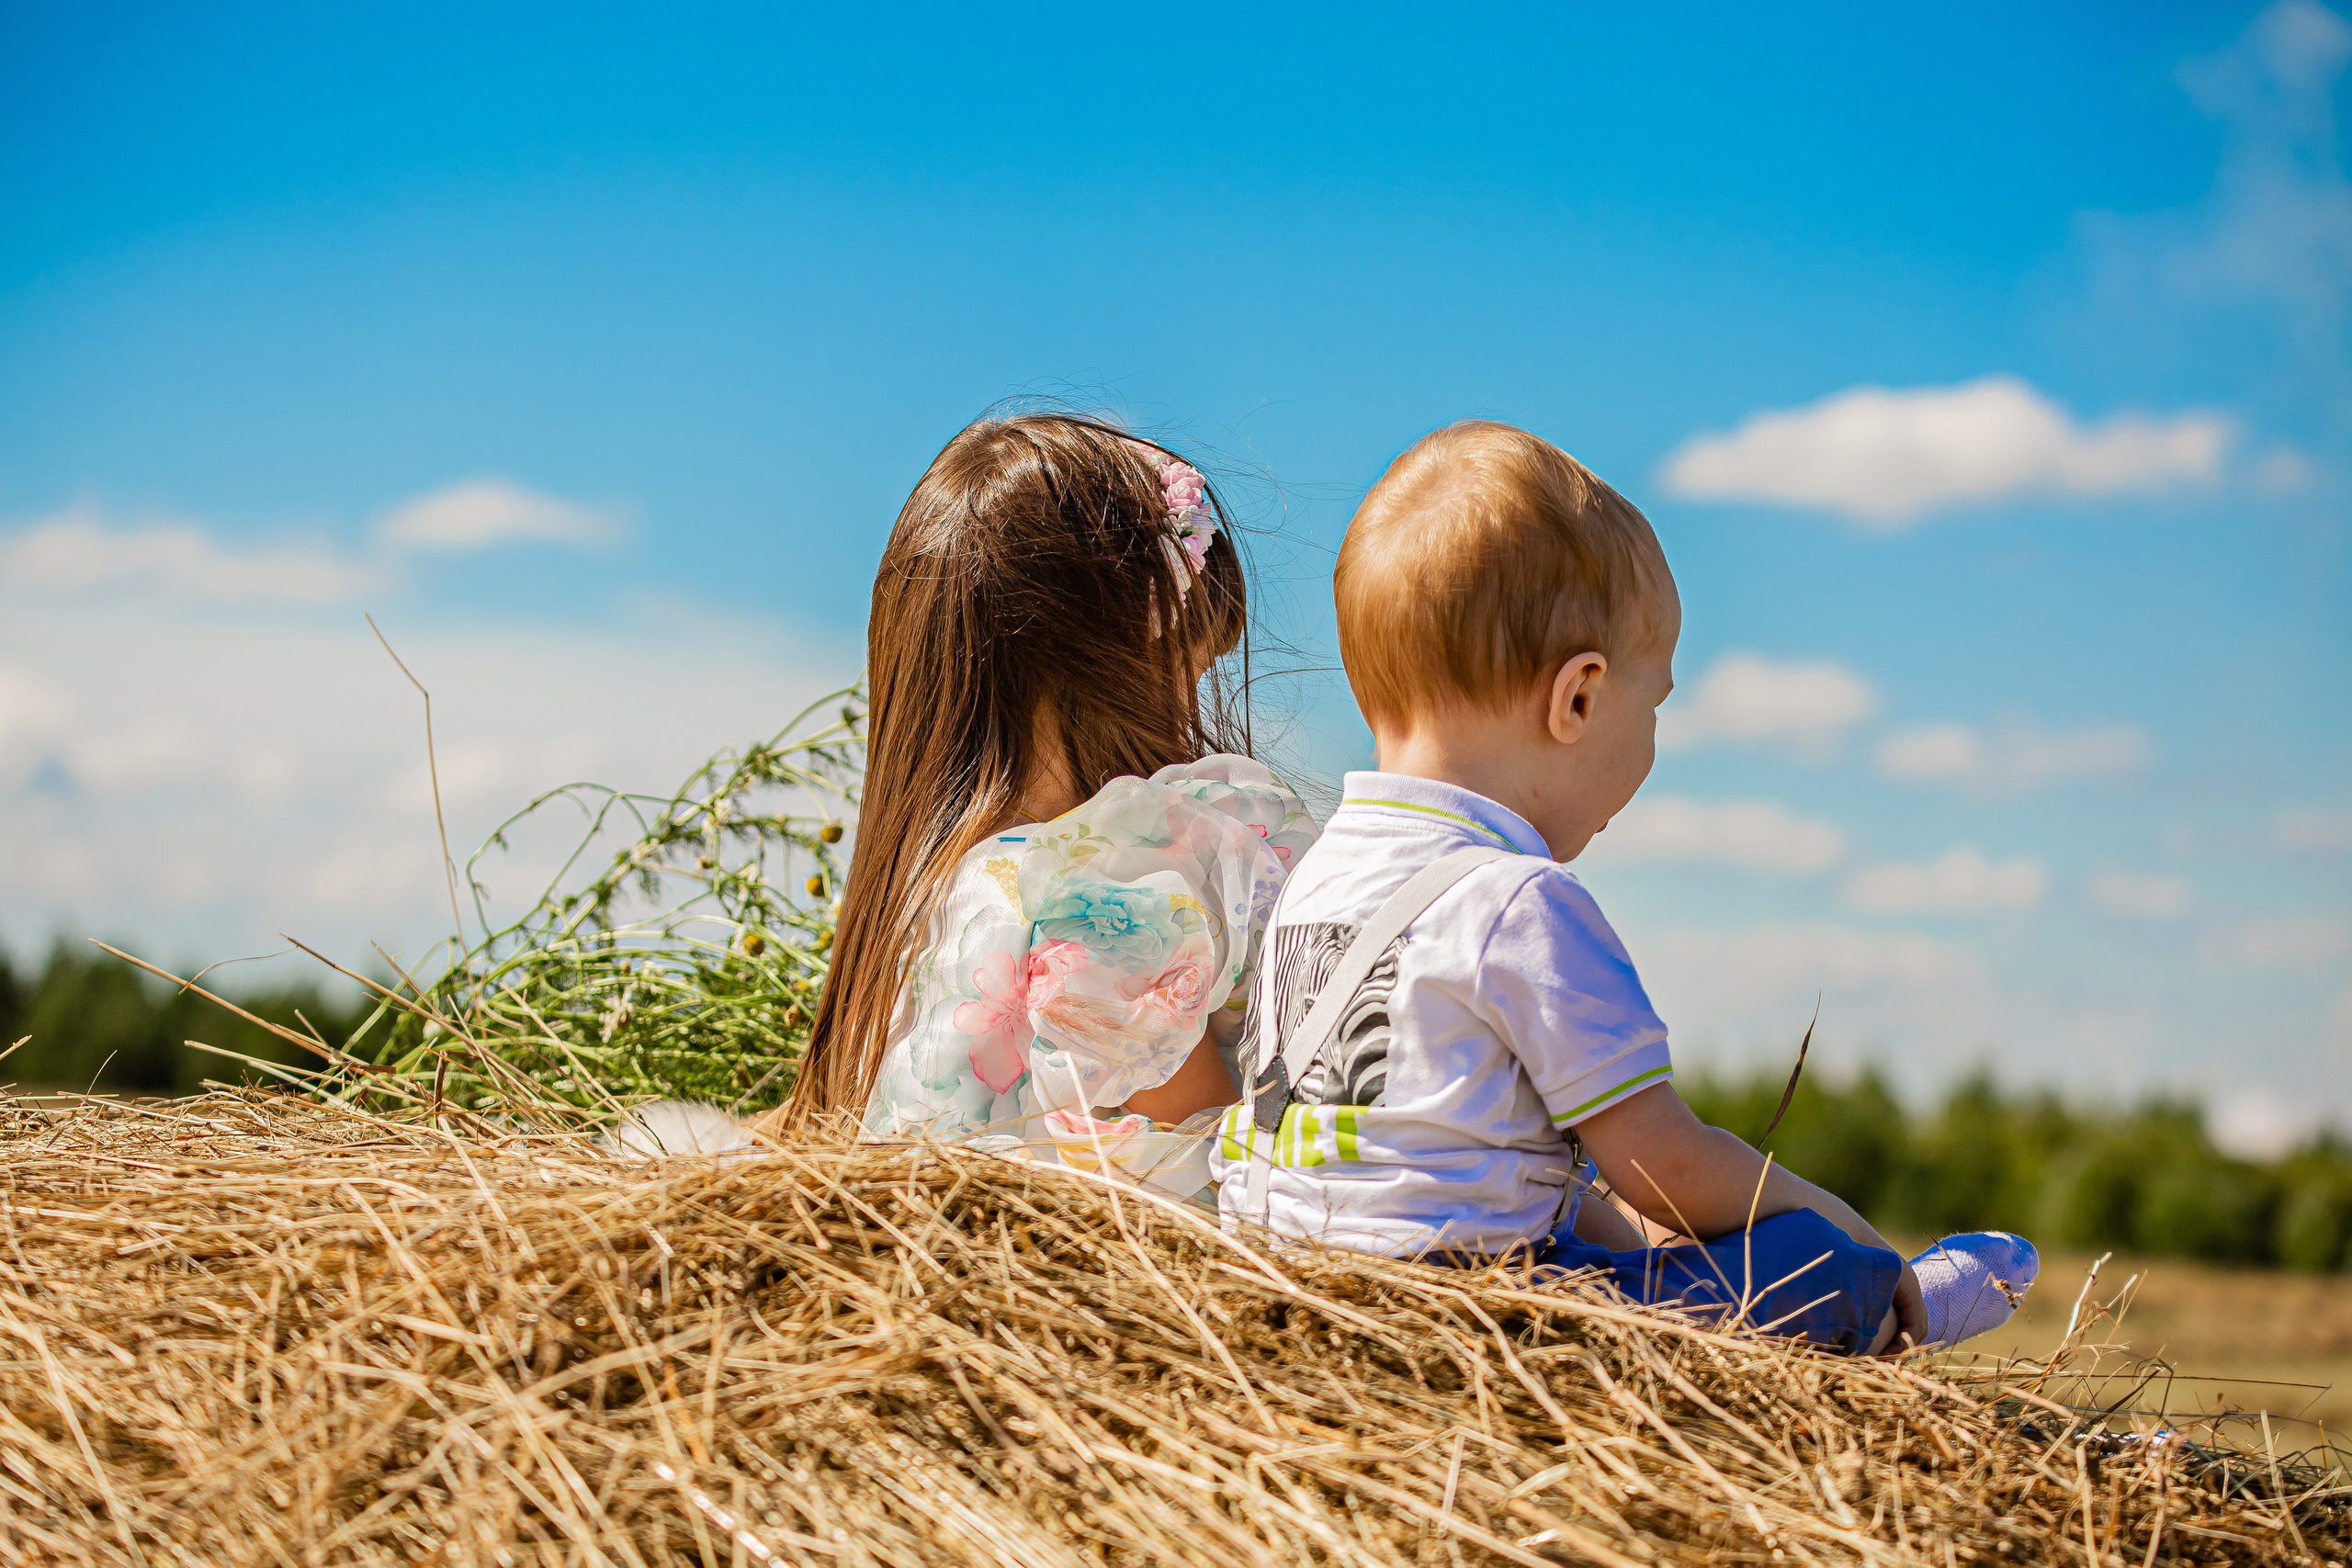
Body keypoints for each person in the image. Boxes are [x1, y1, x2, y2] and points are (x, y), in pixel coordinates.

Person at [1210, 420, 2037, 1354]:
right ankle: (1893, 1308)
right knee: (1806, 1263)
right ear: (1579, 697)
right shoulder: (1515, 903)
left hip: (1283, 1294)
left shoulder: (1312, 881)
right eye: (1656, 705)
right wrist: (1845, 1226)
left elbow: (1461, 1162)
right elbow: (1667, 1165)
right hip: (1468, 1326)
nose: (1652, 741)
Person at [773, 412, 1319, 1149]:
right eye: (1188, 672)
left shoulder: (912, 910)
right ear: (1107, 673)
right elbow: (1219, 1188)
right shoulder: (1111, 916)